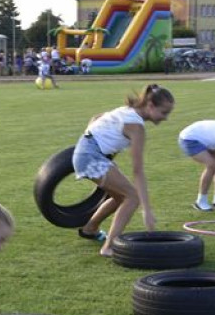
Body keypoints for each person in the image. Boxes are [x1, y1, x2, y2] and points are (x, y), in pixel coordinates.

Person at [72, 84, 175, 257]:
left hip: (86, 152)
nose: (166, 118)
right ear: (150, 105)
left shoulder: (127, 110)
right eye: (164, 112)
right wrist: (147, 210)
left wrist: (95, 141)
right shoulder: (136, 126)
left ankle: (90, 228)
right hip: (91, 157)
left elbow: (96, 117)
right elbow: (138, 171)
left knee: (120, 197)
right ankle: (108, 247)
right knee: (132, 197)